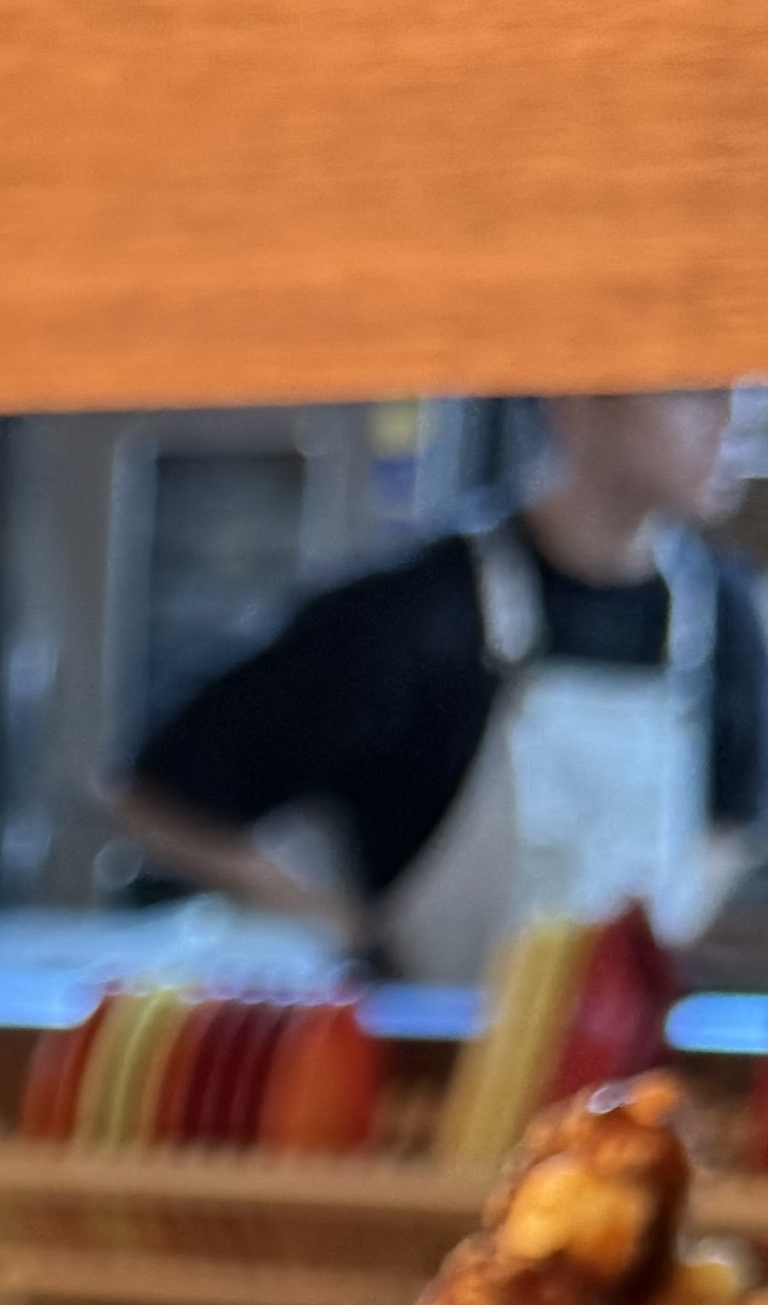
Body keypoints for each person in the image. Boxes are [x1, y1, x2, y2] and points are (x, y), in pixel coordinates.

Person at [108, 392, 765, 982]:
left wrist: (663, 927)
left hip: (623, 1060)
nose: (731, 424)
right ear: (579, 406)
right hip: (433, 1054)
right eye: (697, 395)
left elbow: (732, 818)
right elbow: (156, 794)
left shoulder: (724, 619)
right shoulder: (419, 614)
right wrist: (343, 927)